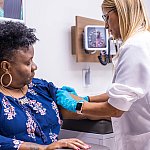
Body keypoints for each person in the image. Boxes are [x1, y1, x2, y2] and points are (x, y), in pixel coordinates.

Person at [56, 0, 150, 150]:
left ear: (121, 12)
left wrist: (77, 105)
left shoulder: (135, 47)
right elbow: (123, 92)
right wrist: (86, 98)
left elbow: (115, 109)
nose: (106, 26)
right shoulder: (144, 41)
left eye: (106, 17)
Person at [0, 21, 91, 150]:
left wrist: (113, 111)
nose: (35, 66)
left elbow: (78, 107)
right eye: (27, 63)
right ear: (6, 66)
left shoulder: (41, 88)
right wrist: (42, 148)